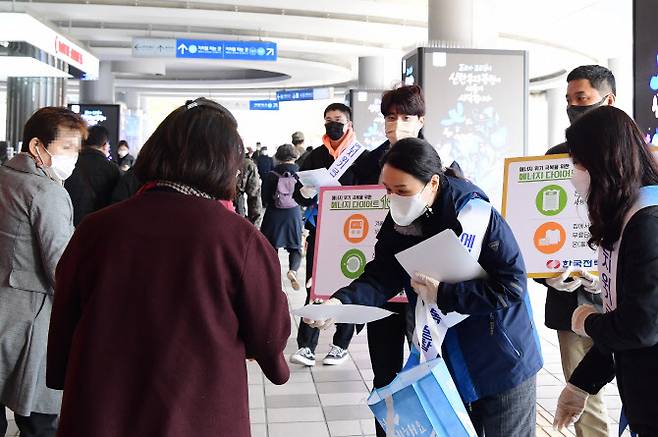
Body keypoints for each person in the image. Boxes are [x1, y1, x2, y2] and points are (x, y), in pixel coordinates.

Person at [46, 98, 291, 437]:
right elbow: (268, 335)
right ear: (224, 164)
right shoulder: (238, 238)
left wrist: (60, 372)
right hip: (197, 412)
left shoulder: (96, 228)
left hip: (101, 408)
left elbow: (64, 316)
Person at [307, 138, 543, 437]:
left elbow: (511, 286)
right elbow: (382, 275)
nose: (393, 200)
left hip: (502, 358)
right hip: (449, 363)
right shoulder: (400, 220)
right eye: (388, 191)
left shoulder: (476, 216)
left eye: (402, 191)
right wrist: (341, 303)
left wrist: (443, 294)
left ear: (432, 183)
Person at [553, 107, 658, 436]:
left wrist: (587, 322)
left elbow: (640, 326)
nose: (574, 173)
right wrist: (581, 385)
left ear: (606, 162)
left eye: (579, 163)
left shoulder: (648, 223)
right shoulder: (629, 214)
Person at [0, 107, 86, 437]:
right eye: (66, 148)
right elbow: (61, 266)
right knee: (41, 422)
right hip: (32, 321)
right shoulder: (47, 191)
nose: (73, 157)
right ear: (38, 146)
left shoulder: (6, 176)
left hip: (5, 307)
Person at [541, 65, 616, 437]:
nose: (573, 108)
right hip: (570, 301)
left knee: (639, 389)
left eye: (581, 99)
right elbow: (538, 230)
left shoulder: (635, 158)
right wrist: (547, 273)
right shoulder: (554, 159)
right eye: (569, 101)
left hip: (625, 297)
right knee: (583, 397)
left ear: (608, 101)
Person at [351, 84, 425, 437]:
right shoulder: (367, 163)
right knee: (384, 374)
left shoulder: (438, 161)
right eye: (391, 117)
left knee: (426, 368)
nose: (397, 124)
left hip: (424, 288)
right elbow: (344, 218)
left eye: (406, 117)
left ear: (421, 120)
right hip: (379, 283)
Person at [290, 102, 364, 367]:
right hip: (321, 231)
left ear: (349, 123)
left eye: (338, 119)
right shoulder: (316, 155)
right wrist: (306, 193)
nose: (333, 124)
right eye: (328, 120)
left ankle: (340, 344)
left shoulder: (361, 157)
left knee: (348, 286)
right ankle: (306, 346)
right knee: (315, 284)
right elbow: (299, 192)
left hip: (354, 233)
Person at [260, 144, 303, 290]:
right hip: (293, 213)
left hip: (274, 214)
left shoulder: (271, 174)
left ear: (278, 157)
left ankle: (272, 277)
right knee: (295, 247)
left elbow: (264, 197)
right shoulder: (300, 173)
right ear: (294, 156)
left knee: (270, 247)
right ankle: (293, 270)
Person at [64, 124, 121, 226]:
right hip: (100, 225)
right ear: (105, 145)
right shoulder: (113, 169)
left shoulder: (70, 164)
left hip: (70, 223)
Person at [234, 156, 263, 228]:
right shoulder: (246, 164)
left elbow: (255, 197)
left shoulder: (246, 164)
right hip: (236, 215)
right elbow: (255, 196)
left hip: (236, 211)